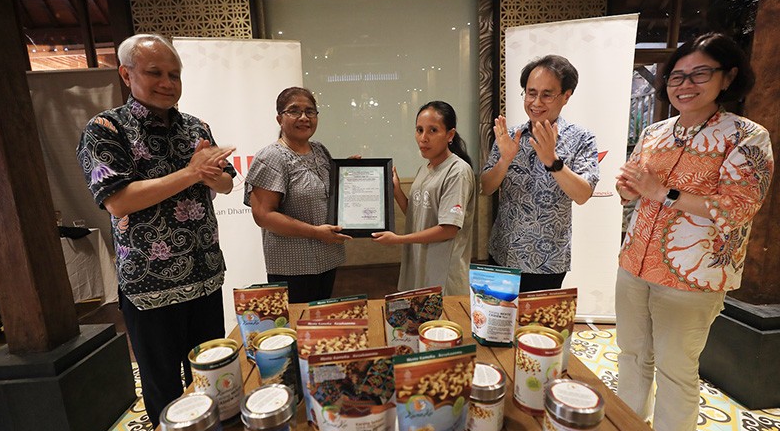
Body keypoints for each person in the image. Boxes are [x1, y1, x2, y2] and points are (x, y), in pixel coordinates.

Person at [615, 32, 774, 431]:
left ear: (728, 77)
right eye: (676, 77)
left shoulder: (746, 136)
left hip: (692, 275)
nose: (685, 86)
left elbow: (740, 207)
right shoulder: (655, 133)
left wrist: (661, 192)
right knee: (631, 354)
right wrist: (628, 188)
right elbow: (632, 185)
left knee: (676, 367)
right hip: (634, 263)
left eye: (699, 74)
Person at [76, 33, 236, 428]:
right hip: (150, 285)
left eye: (174, 74)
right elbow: (118, 200)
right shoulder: (105, 129)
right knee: (164, 387)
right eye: (155, 73)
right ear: (126, 74)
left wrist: (211, 174)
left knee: (212, 372)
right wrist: (192, 173)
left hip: (204, 275)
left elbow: (227, 183)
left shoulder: (196, 126)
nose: (168, 83)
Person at [480, 55, 599, 293]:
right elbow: (486, 187)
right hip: (503, 253)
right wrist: (505, 159)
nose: (536, 102)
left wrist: (552, 161)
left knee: (538, 329)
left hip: (548, 261)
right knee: (499, 327)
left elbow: (583, 194)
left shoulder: (581, 139)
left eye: (547, 94)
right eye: (530, 92)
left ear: (566, 96)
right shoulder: (510, 136)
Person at [246, 87, 350, 303]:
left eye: (310, 111)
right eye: (294, 111)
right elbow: (263, 215)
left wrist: (355, 173)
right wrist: (315, 232)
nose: (304, 117)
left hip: (327, 259)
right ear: (279, 118)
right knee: (298, 329)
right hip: (292, 268)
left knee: (320, 326)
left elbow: (328, 195)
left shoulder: (320, 151)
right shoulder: (272, 158)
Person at [372, 101, 475, 296]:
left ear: (450, 135)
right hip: (420, 268)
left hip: (443, 275)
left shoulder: (457, 171)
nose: (423, 138)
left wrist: (398, 240)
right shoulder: (425, 169)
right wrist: (397, 192)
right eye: (419, 130)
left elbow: (448, 229)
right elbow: (417, 215)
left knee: (442, 326)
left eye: (433, 130)